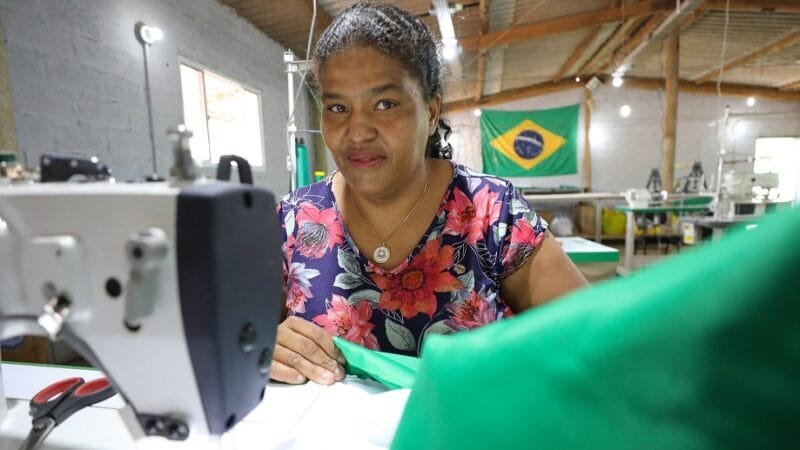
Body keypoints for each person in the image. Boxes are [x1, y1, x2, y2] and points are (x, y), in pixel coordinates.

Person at [271, 1, 588, 386]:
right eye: (338, 107)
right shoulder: (292, 222)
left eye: (385, 104)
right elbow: (237, 343)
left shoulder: (490, 212)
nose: (358, 132)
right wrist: (268, 349)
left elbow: (591, 341)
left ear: (432, 111)